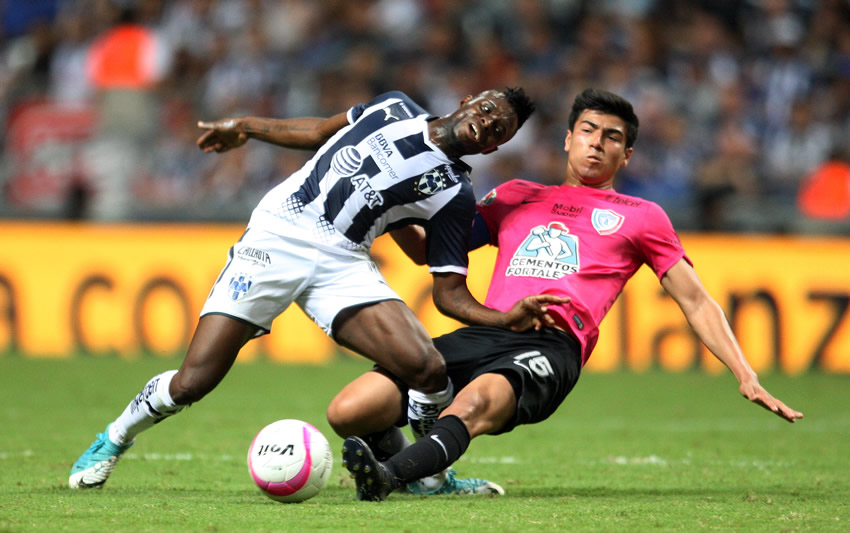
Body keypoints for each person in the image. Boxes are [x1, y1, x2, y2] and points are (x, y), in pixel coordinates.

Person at [68, 87, 561, 490]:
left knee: (427, 368)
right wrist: (246, 126)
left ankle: (427, 475)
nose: (490, 123)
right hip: (275, 238)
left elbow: (448, 292)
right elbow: (321, 131)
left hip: (342, 261)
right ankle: (114, 437)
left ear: (493, 148)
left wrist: (503, 318)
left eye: (500, 130)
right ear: (470, 99)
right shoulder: (393, 107)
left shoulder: (455, 192)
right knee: (193, 381)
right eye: (489, 109)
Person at [328, 88, 804, 501]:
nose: (596, 143)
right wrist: (384, 207)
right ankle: (424, 477)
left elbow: (696, 299)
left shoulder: (641, 216)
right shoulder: (516, 194)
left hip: (551, 346)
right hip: (488, 327)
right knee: (349, 410)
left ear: (628, 154)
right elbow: (431, 252)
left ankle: (389, 477)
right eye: (588, 130)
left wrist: (745, 373)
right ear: (568, 139)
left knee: (474, 403)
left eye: (611, 137)